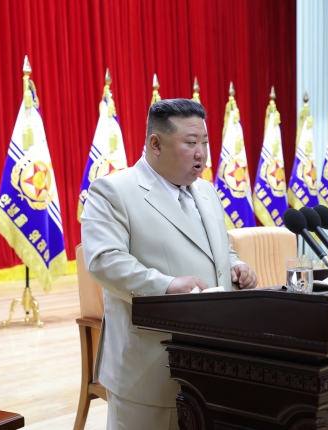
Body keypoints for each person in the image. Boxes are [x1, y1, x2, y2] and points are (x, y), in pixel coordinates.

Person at [81, 99, 257, 430]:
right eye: (191, 143)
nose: (202, 152)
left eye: (205, 142)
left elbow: (222, 250)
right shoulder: (113, 191)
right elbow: (103, 261)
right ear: (155, 144)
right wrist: (164, 286)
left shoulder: (206, 191)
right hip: (149, 364)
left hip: (213, 361)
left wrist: (237, 267)